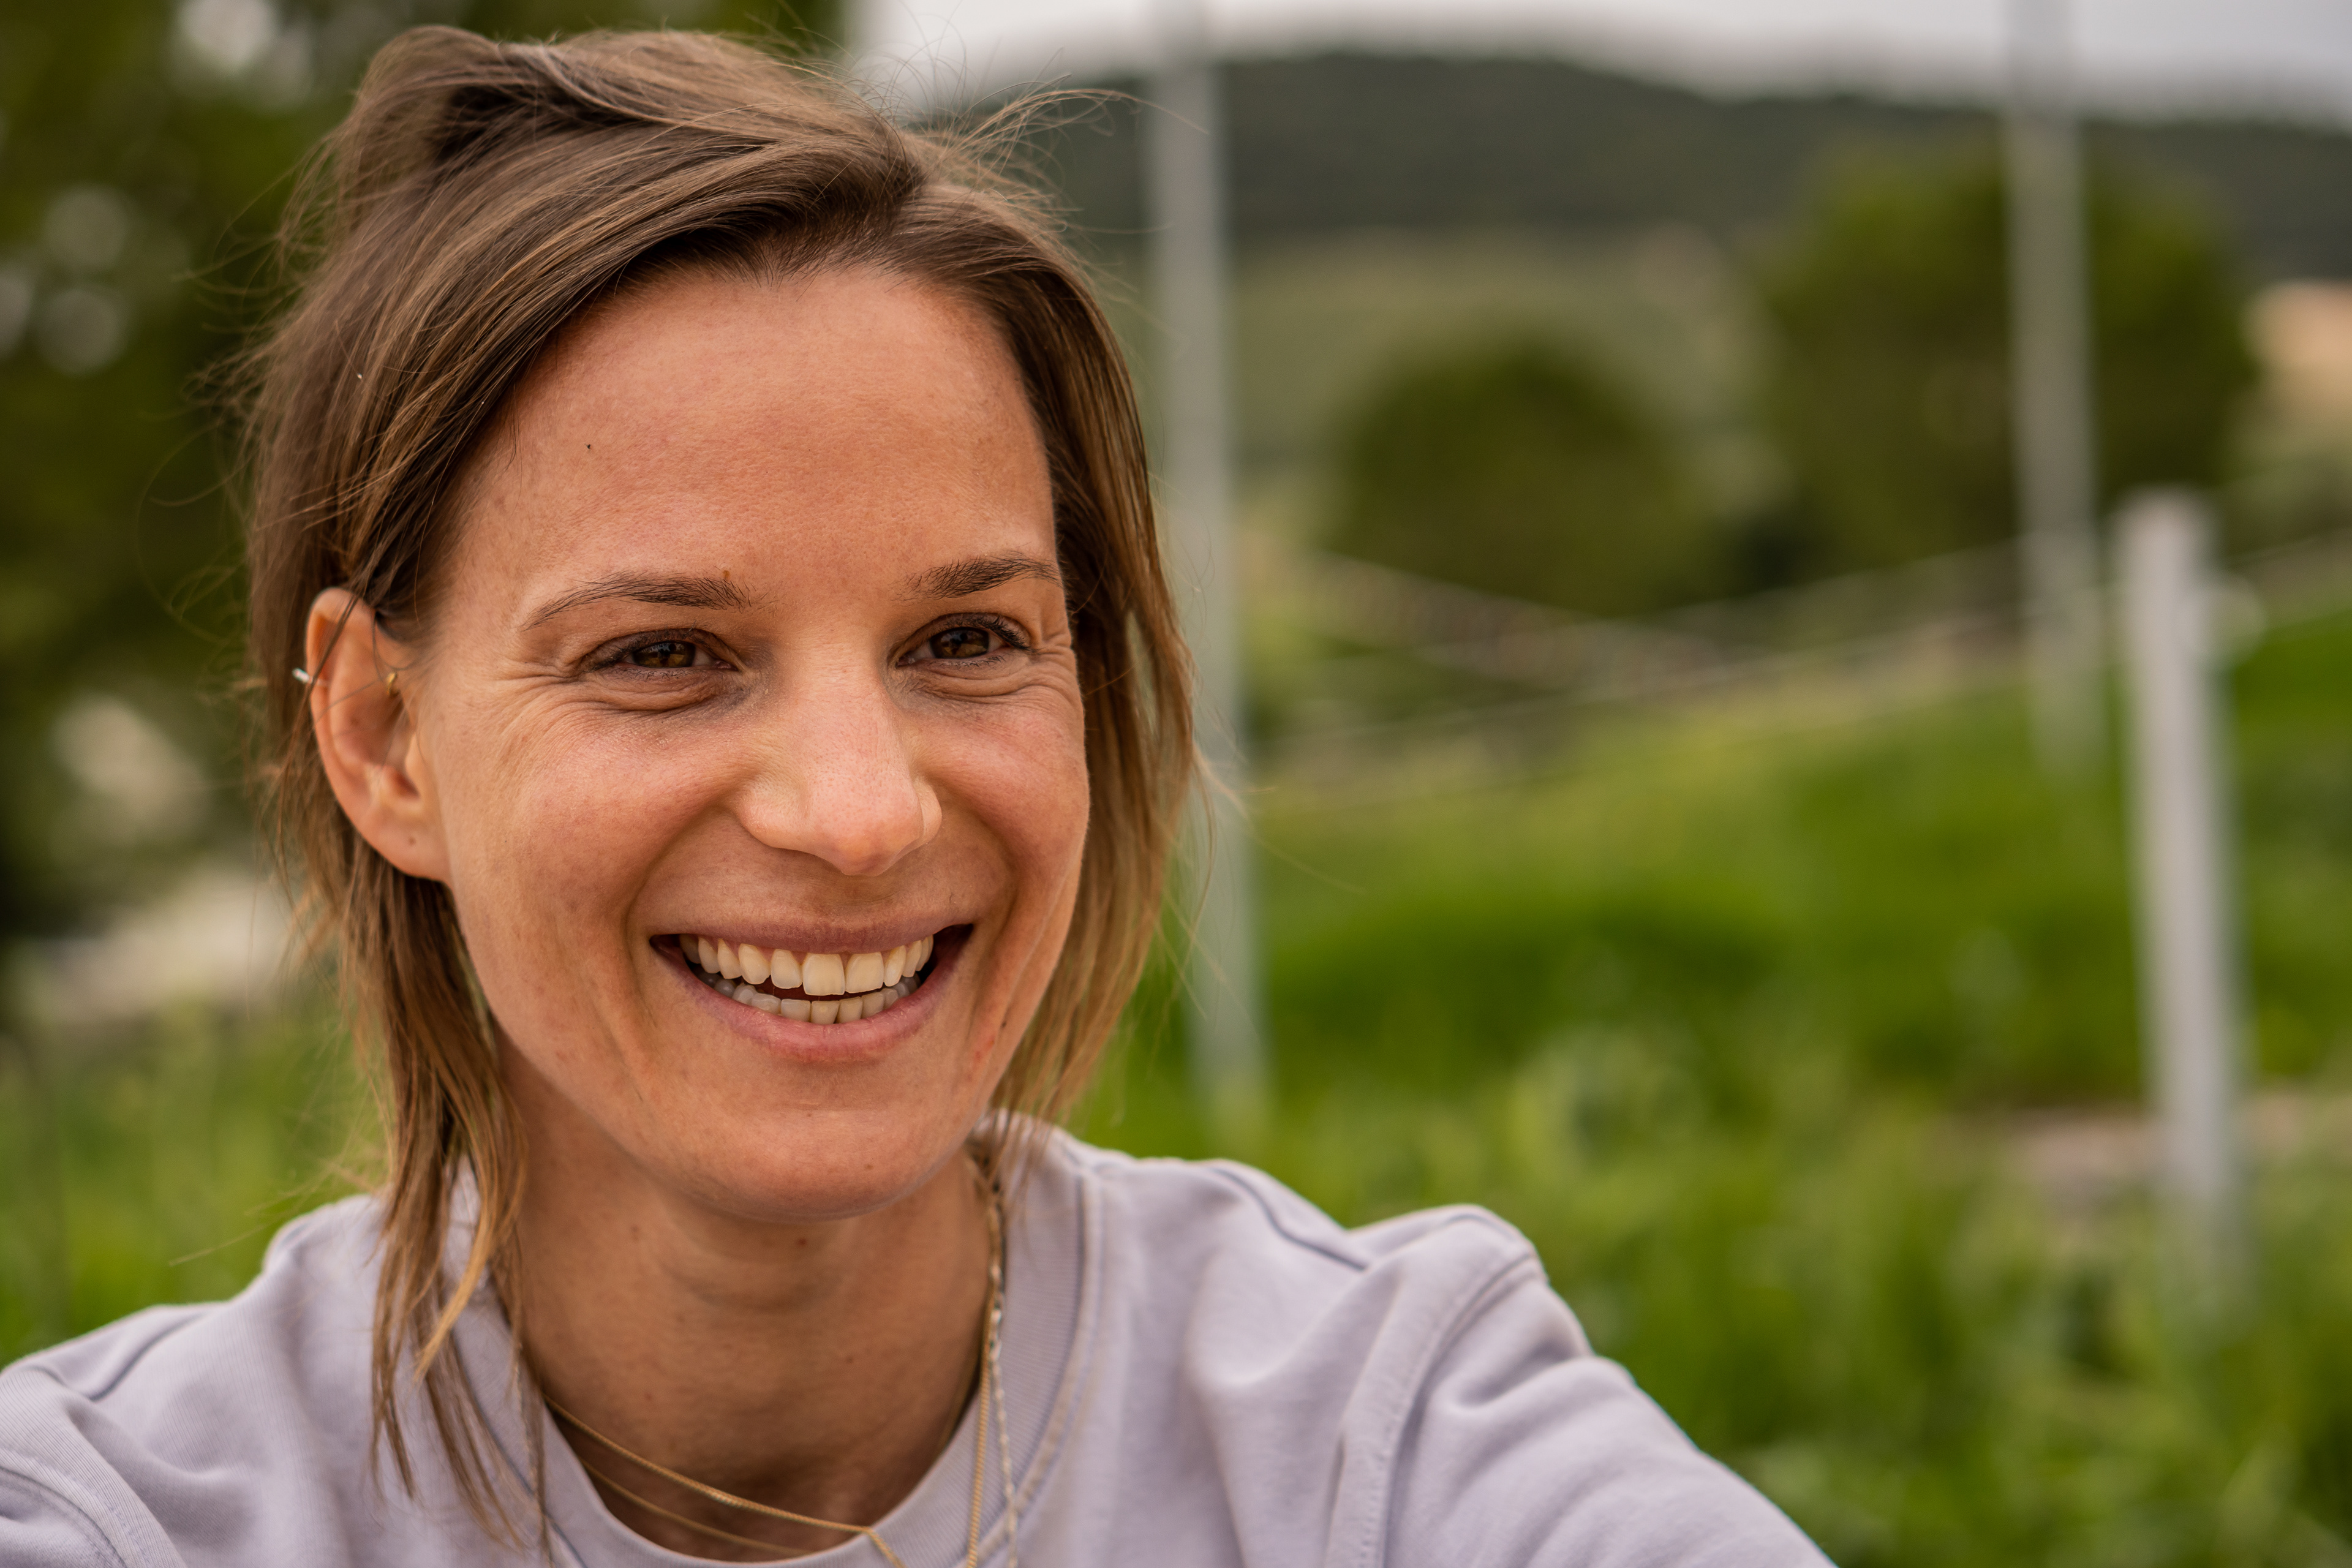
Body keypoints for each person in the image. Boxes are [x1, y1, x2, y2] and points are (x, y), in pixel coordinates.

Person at [0, 28, 1831, 1568]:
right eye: (663, 653)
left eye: (965, 640)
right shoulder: (124, 1513)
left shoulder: (1384, 1438)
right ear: (383, 735)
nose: (861, 813)